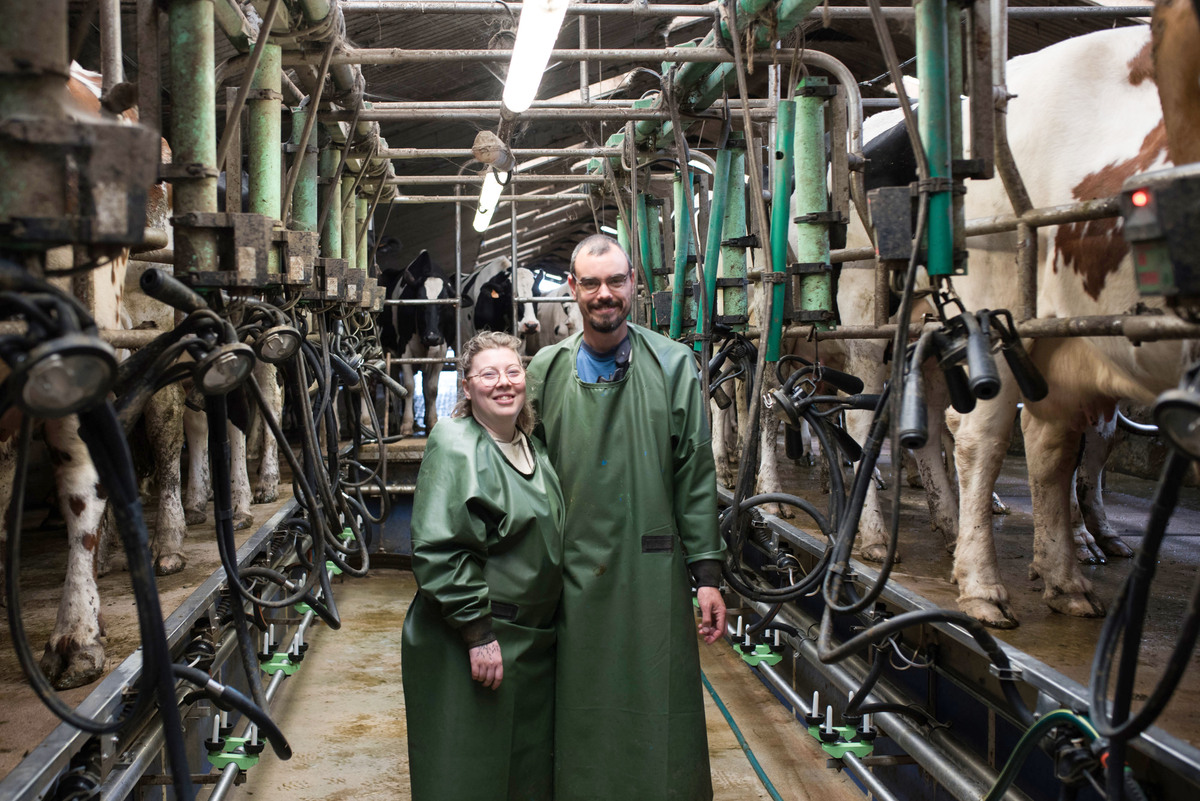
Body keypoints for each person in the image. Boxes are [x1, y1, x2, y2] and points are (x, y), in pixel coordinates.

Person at [526, 234, 728, 801]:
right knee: (575, 696)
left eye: (615, 281)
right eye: (590, 283)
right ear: (573, 289)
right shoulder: (544, 370)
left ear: (635, 284)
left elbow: (695, 473)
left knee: (654, 692)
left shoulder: (673, 364)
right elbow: (523, 477)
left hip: (652, 569)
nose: (604, 294)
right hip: (569, 568)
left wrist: (707, 575)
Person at [401, 331, 564, 801]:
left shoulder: (531, 446)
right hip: (475, 642)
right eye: (488, 374)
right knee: (467, 776)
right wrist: (478, 632)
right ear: (466, 387)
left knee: (519, 777)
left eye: (513, 371)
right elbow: (438, 549)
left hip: (528, 643)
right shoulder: (457, 444)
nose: (504, 383)